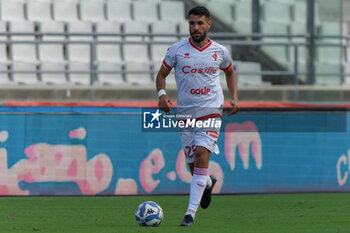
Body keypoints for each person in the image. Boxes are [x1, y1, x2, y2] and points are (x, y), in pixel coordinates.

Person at [155, 6, 239, 226]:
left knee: (202, 155)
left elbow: (229, 71)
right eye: (192, 23)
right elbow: (161, 75)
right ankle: (208, 183)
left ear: (208, 24)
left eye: (200, 23)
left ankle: (189, 215)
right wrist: (162, 94)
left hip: (211, 110)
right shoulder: (176, 50)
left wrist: (234, 98)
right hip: (185, 113)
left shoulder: (219, 51)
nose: (195, 27)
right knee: (195, 168)